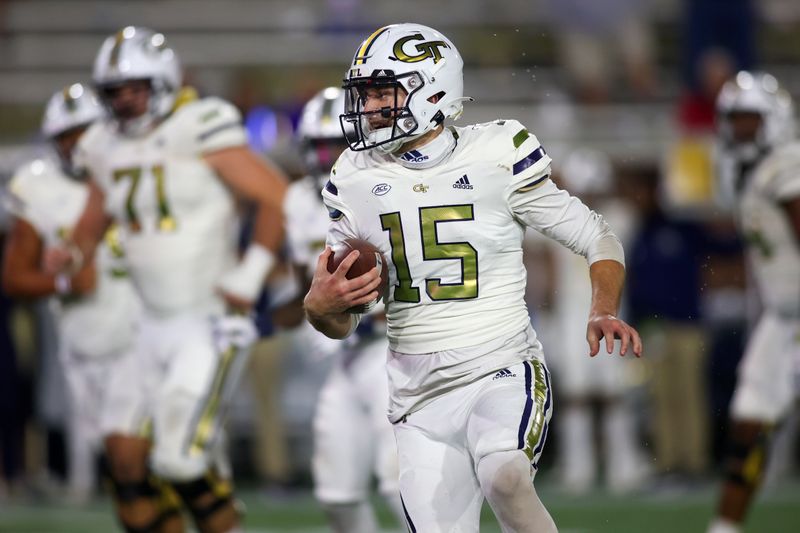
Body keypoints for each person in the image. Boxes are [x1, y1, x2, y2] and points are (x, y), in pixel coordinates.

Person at [304, 23, 642, 532]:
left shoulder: (495, 154)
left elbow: (598, 238)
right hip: (416, 395)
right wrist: (319, 307)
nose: (370, 108)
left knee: (504, 473)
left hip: (499, 366)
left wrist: (602, 308)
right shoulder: (353, 176)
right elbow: (340, 323)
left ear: (432, 90)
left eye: (382, 93)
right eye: (367, 94)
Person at [45, 27, 287, 533]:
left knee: (179, 462)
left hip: (205, 321)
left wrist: (251, 271)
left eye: (136, 88)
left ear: (163, 81)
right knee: (124, 458)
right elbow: (98, 209)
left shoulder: (199, 124)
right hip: (145, 323)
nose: (126, 101)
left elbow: (274, 194)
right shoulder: (102, 143)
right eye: (115, 92)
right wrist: (72, 250)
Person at [1, 85, 154, 507]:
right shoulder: (38, 186)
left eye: (82, 132)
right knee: (96, 473)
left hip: (141, 334)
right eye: (64, 136)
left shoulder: (135, 167)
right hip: (80, 341)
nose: (75, 145)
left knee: (148, 466)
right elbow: (13, 277)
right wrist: (65, 281)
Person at [282, 87, 403, 532]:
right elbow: (305, 288)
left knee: (400, 486)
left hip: (391, 353)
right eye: (317, 146)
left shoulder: (386, 185)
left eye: (334, 143)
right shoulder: (298, 200)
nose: (325, 156)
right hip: (345, 358)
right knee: (337, 495)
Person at [707, 71, 799, 533]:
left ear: (774, 120)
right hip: (782, 319)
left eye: (750, 119)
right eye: (735, 119)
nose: (740, 129)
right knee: (747, 427)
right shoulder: (750, 170)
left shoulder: (786, 164)